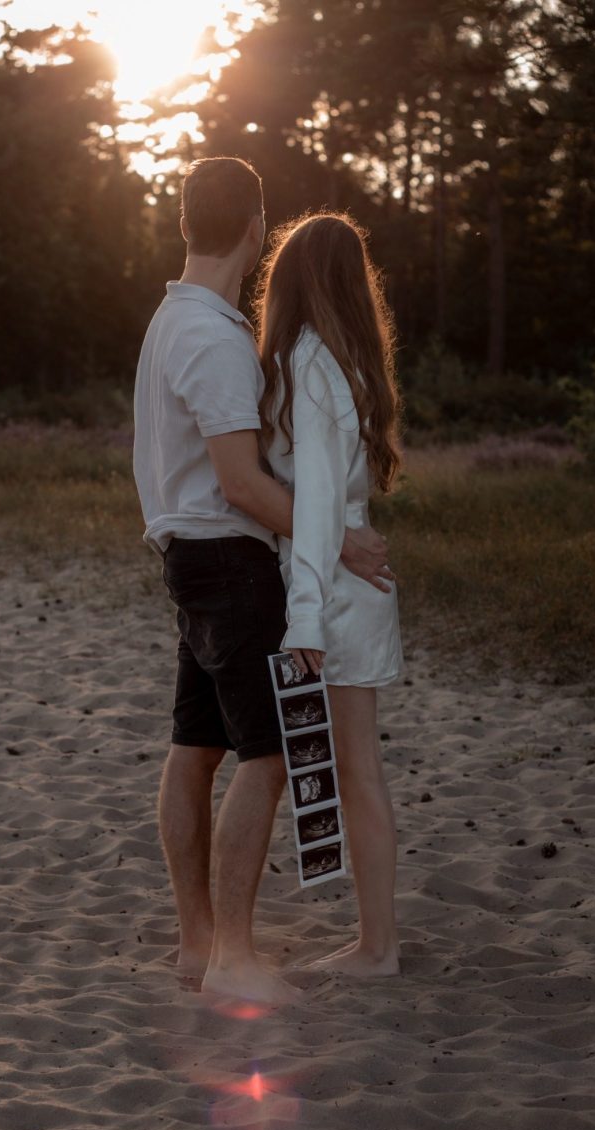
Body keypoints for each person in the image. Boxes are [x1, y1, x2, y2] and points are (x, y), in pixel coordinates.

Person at [133, 159, 395, 1003]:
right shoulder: (213, 337)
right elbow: (245, 484)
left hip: (190, 556)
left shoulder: (171, 323)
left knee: (194, 747)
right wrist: (337, 539)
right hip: (229, 561)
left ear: (184, 225)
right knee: (271, 751)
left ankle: (197, 941)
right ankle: (234, 956)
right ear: (253, 228)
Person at [255, 210, 403, 977]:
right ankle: (376, 940)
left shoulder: (311, 364)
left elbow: (314, 504)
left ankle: (376, 947)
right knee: (357, 770)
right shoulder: (347, 364)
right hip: (351, 584)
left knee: (354, 771)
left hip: (334, 594)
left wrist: (303, 616)